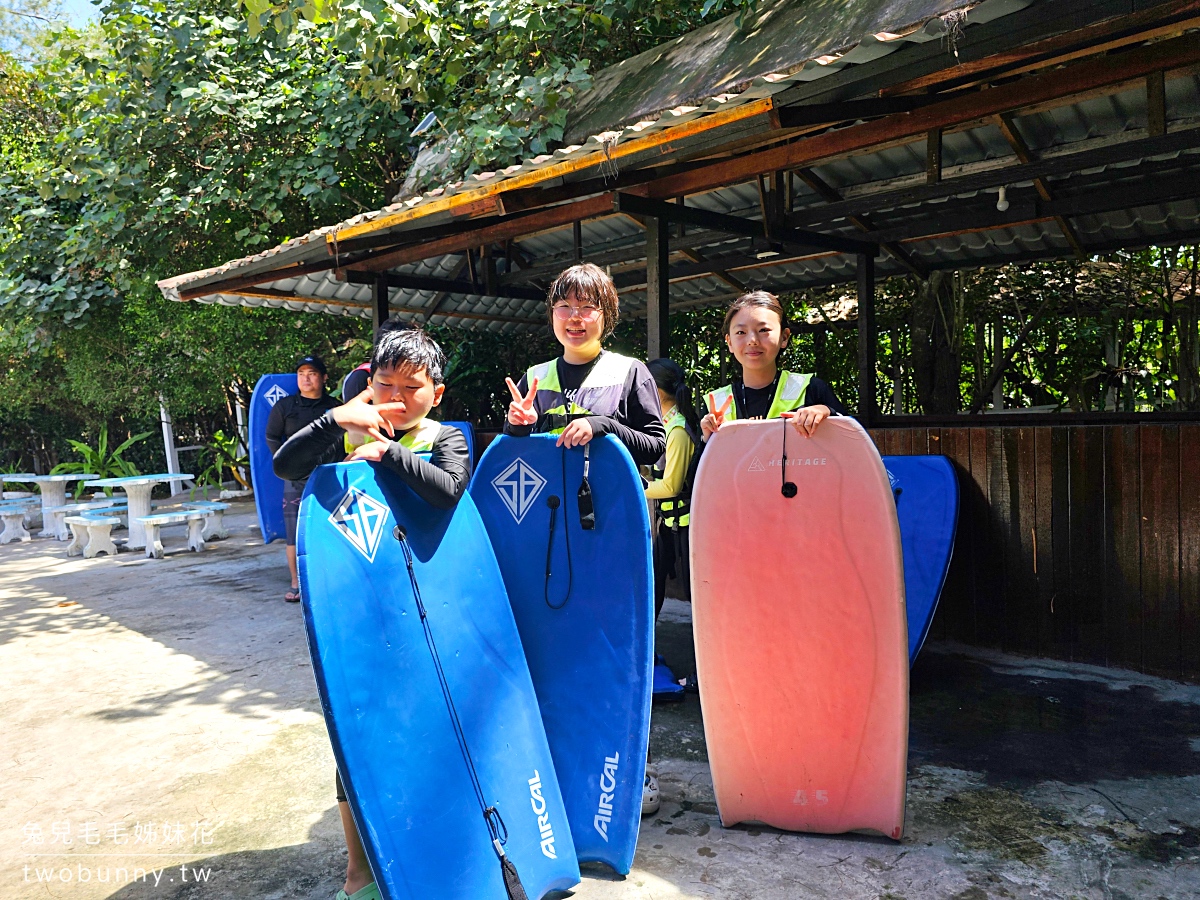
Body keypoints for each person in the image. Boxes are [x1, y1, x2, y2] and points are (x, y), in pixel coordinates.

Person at [272, 326, 470, 900]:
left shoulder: (444, 436)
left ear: (437, 390)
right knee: (355, 735)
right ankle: (359, 873)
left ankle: (434, 853)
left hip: (429, 610)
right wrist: (337, 420)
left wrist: (389, 451)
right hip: (359, 611)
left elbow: (448, 490)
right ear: (368, 381)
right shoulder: (345, 427)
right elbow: (287, 466)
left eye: (414, 387)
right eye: (386, 384)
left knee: (430, 731)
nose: (399, 398)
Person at [503, 263, 665, 467]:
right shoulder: (534, 378)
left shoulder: (630, 372)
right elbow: (510, 454)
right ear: (552, 313)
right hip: (548, 496)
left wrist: (604, 425)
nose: (574, 317)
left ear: (607, 315)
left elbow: (655, 448)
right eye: (564, 306)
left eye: (587, 307)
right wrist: (519, 427)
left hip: (611, 496)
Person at [701, 290, 848, 440]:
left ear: (784, 337)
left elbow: (853, 441)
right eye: (741, 332)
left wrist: (827, 412)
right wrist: (709, 440)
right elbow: (700, 463)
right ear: (729, 342)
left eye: (763, 330)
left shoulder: (812, 390)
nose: (752, 340)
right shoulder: (716, 405)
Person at [264, 354, 340, 602]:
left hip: (330, 477)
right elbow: (272, 437)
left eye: (312, 373)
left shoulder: (336, 406)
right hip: (295, 478)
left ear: (324, 378)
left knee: (334, 528)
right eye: (301, 374)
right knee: (294, 532)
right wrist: (285, 461)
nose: (306, 378)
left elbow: (348, 437)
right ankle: (297, 583)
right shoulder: (284, 407)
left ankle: (332, 579)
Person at [644, 358, 701, 620]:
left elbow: (671, 486)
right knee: (653, 585)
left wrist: (635, 484)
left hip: (685, 528)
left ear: (659, 391)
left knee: (693, 593)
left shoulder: (677, 430)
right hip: (669, 524)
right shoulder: (665, 424)